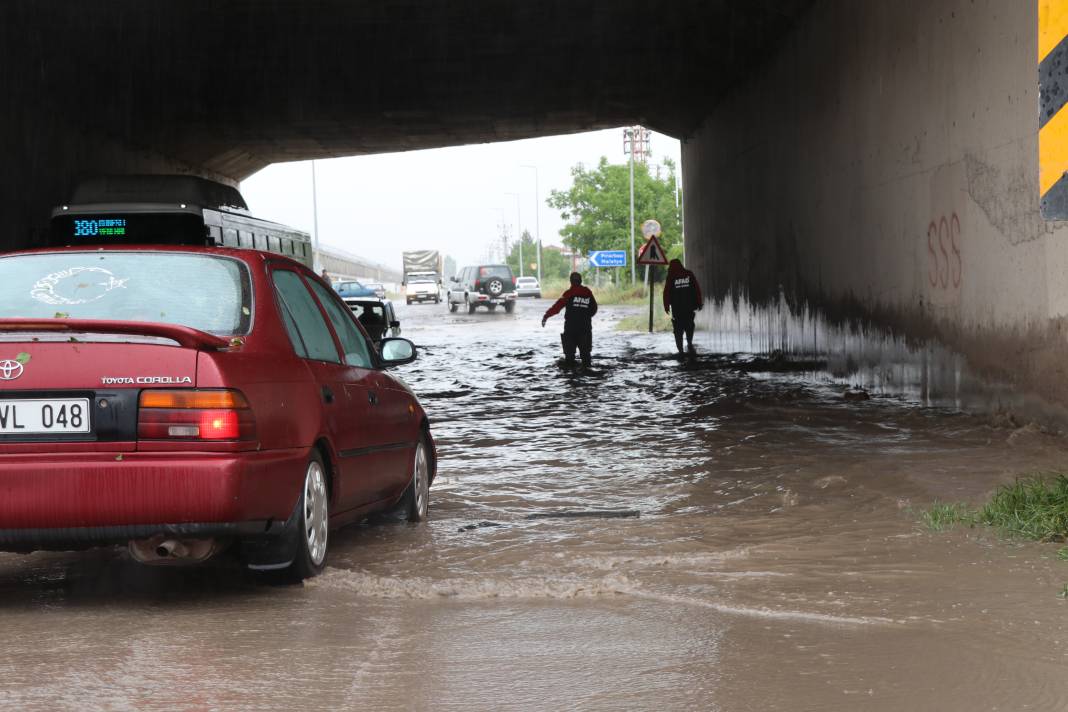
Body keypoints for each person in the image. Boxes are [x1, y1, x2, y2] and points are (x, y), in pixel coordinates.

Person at [542, 272, 598, 367]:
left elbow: (557, 307)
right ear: (580, 281)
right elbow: (594, 308)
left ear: (571, 282)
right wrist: (586, 317)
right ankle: (587, 371)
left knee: (569, 357)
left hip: (570, 329)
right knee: (586, 356)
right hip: (585, 328)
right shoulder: (587, 292)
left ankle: (570, 376)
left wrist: (546, 316)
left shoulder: (568, 293)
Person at [663, 258, 703, 355]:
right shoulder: (689, 274)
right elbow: (696, 289)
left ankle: (680, 350)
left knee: (678, 330)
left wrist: (666, 306)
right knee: (689, 326)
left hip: (677, 309)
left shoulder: (671, 276)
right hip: (689, 308)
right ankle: (689, 343)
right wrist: (699, 302)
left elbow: (667, 292)